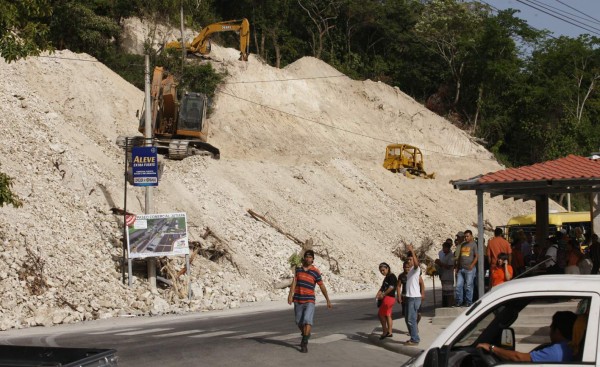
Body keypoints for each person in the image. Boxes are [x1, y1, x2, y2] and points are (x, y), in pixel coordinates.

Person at [477, 311, 577, 362]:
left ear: (557, 331)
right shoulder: (570, 346)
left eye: (551, 327)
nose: (549, 330)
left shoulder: (556, 351)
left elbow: (519, 358)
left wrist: (491, 348)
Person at [287, 250, 332, 353]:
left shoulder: (315, 271)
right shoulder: (298, 269)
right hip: (298, 299)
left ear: (313, 259)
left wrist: (328, 300)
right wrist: (290, 295)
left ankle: (304, 342)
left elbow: (322, 286)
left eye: (310, 257)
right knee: (299, 322)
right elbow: (294, 282)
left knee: (307, 320)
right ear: (304, 258)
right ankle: (306, 334)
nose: (308, 259)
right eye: (307, 257)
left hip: (309, 300)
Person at [404, 244, 422, 346]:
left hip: (414, 298)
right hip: (409, 297)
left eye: (410, 260)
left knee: (411, 319)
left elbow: (416, 264)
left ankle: (415, 339)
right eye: (408, 260)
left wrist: (412, 251)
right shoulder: (410, 271)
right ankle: (413, 337)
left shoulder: (416, 269)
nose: (409, 261)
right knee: (408, 319)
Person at [455, 230, 478, 307]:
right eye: (465, 236)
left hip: (469, 269)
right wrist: (457, 267)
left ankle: (469, 301)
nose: (466, 238)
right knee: (458, 286)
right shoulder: (463, 245)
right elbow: (460, 257)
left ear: (471, 236)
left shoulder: (474, 245)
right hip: (461, 269)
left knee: (468, 286)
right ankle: (459, 301)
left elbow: (477, 256)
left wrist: (472, 265)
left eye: (467, 236)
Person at [376, 262, 397, 339]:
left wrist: (383, 294)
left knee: (381, 315)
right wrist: (378, 294)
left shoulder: (391, 276)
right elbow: (382, 287)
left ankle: (385, 332)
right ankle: (390, 332)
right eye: (381, 271)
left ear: (388, 268)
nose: (382, 272)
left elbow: (391, 287)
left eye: (383, 270)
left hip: (388, 298)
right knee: (388, 315)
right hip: (390, 298)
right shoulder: (387, 277)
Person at [435, 240, 455, 307]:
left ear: (448, 248)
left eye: (444, 248)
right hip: (444, 276)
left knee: (449, 293)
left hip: (448, 277)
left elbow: (450, 266)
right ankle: (445, 304)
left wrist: (440, 263)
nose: (443, 249)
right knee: (445, 292)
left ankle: (450, 304)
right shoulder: (444, 256)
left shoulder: (451, 256)